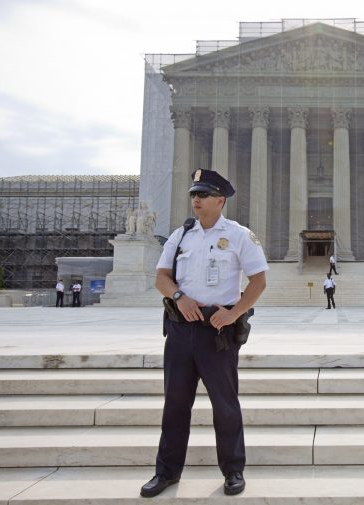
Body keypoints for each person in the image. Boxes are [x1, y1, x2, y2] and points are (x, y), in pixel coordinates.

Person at [141, 169, 268, 499]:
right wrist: (179, 298)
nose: (195, 200)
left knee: (225, 405)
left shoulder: (239, 235)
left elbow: (258, 282)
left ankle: (233, 471)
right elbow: (162, 279)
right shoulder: (181, 235)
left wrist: (234, 312)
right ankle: (166, 472)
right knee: (175, 405)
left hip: (217, 333)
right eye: (193, 195)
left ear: (220, 200)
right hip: (181, 331)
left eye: (203, 195)